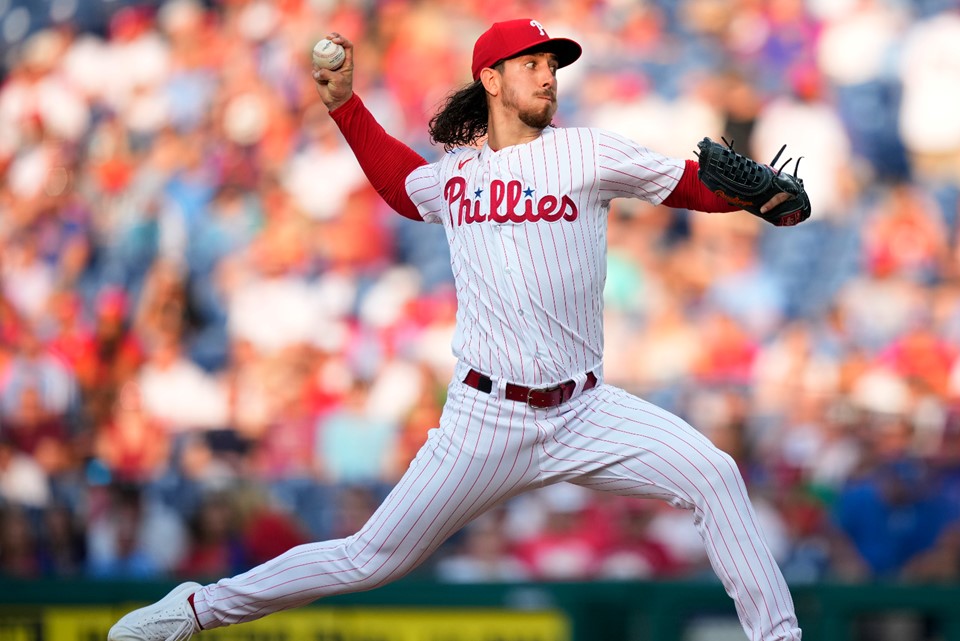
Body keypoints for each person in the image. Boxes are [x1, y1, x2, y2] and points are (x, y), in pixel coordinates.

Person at [108, 19, 803, 641]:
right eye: (533, 62)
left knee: (713, 473)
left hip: (586, 408)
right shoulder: (457, 176)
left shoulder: (588, 153)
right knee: (369, 558)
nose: (548, 74)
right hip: (485, 419)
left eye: (553, 65)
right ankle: (195, 611)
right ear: (491, 78)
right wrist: (344, 105)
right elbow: (396, 181)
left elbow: (686, 182)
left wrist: (762, 200)